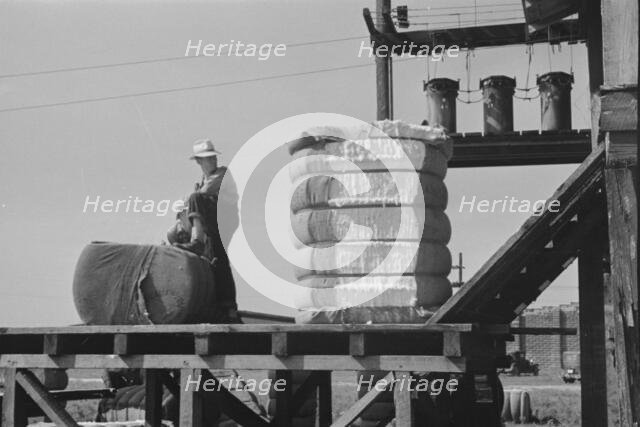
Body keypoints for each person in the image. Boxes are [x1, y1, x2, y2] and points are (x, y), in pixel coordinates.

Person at [168, 138, 240, 322]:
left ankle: (197, 240)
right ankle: (223, 307)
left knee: (218, 256)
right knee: (214, 258)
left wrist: (185, 210)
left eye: (213, 157)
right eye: (208, 158)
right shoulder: (201, 182)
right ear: (199, 162)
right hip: (212, 222)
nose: (213, 161)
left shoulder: (222, 174)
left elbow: (199, 197)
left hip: (224, 219)